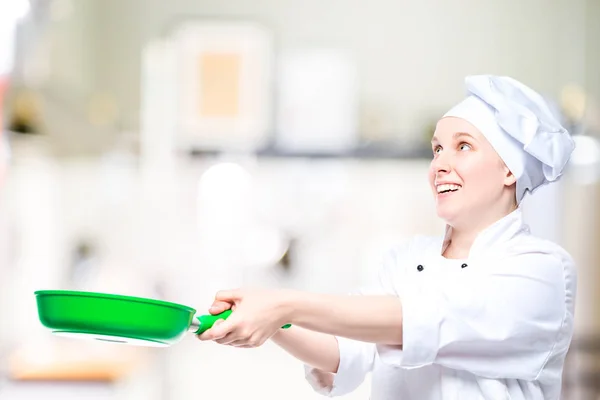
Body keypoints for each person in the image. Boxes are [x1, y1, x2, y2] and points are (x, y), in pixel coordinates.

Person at [197, 75, 577, 400]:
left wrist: (282, 306)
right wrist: (267, 321)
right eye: (437, 149)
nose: (440, 164)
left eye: (463, 146)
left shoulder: (540, 270)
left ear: (509, 170)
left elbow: (421, 321)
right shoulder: (405, 259)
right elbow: (345, 349)